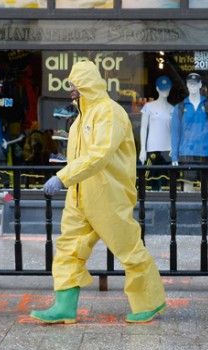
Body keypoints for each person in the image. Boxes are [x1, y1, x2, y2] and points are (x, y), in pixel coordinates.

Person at [29, 60, 167, 324]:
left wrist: (62, 177)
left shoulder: (110, 112)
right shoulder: (79, 120)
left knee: (128, 248)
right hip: (79, 196)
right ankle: (64, 306)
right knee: (68, 249)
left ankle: (149, 302)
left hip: (108, 195)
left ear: (87, 84)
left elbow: (100, 154)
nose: (71, 90)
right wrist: (68, 179)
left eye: (74, 85)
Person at [170, 73, 208, 190]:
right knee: (188, 191)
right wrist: (174, 156)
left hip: (205, 154)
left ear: (200, 85)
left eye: (195, 84)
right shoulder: (180, 107)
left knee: (206, 190)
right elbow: (175, 133)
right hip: (186, 155)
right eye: (190, 84)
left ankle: (205, 209)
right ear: (187, 85)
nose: (192, 86)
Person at [139, 75, 174, 190]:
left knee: (166, 182)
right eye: (163, 88)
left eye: (167, 88)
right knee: (149, 182)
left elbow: (174, 131)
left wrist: (175, 149)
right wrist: (142, 149)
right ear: (157, 89)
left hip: (168, 151)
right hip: (152, 149)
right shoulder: (148, 107)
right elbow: (143, 128)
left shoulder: (172, 109)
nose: (165, 91)